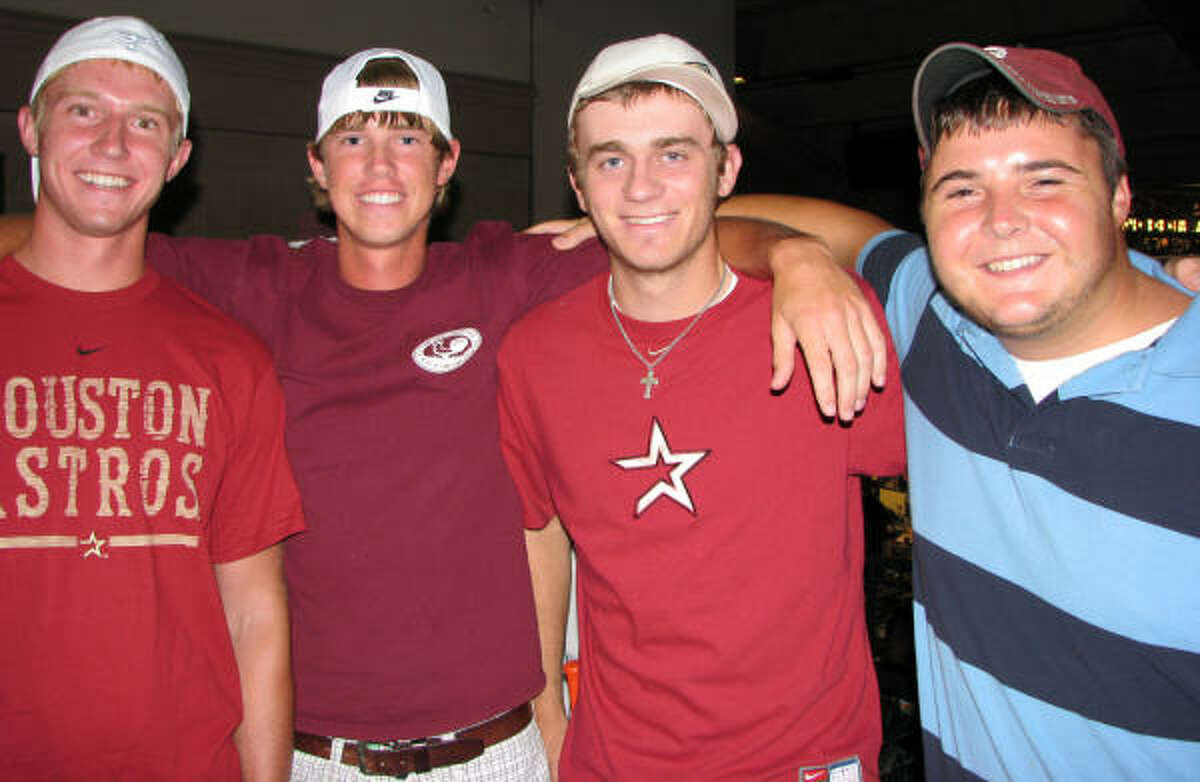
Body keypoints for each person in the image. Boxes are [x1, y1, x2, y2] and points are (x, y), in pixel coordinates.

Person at [0, 42, 894, 779]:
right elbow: (68, 234)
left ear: (449, 164)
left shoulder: (510, 274)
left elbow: (675, 226)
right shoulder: (248, 284)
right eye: (353, 139)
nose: (381, 166)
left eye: (410, 138)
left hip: (495, 753)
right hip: (315, 756)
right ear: (316, 165)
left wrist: (799, 256)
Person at [722, 43, 1200, 780]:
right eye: (962, 190)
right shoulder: (932, 315)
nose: (1001, 221)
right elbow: (774, 221)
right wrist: (797, 258)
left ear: (1119, 196)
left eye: (1044, 180)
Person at [497, 33, 906, 781]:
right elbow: (540, 524)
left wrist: (798, 251)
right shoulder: (534, 352)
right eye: (611, 159)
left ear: (728, 169)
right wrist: (547, 709)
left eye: (675, 154)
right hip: (617, 763)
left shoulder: (828, 319)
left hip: (804, 761)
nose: (642, 187)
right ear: (579, 187)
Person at [0, 16, 305, 781]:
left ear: (177, 158)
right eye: (83, 111)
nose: (112, 145)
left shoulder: (230, 357)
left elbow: (254, 614)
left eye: (145, 123)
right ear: (30, 128)